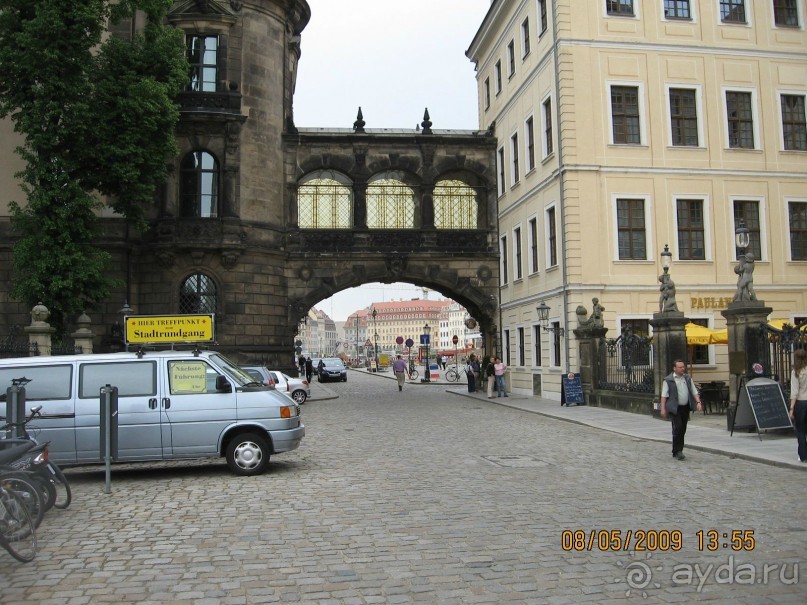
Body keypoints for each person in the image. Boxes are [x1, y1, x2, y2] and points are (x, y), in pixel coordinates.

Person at [660, 359, 703, 460]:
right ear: (674, 368)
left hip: (685, 407)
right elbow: (664, 396)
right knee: (678, 427)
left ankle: (677, 450)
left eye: (683, 367)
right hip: (674, 408)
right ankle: (678, 451)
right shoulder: (668, 380)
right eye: (680, 367)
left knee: (682, 429)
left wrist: (698, 402)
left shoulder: (687, 378)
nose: (683, 369)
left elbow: (694, 391)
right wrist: (663, 408)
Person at [789, 349, 807, 463]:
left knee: (800, 430)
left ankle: (803, 455)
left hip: (801, 403)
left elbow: (794, 392)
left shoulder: (796, 372)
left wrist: (791, 408)